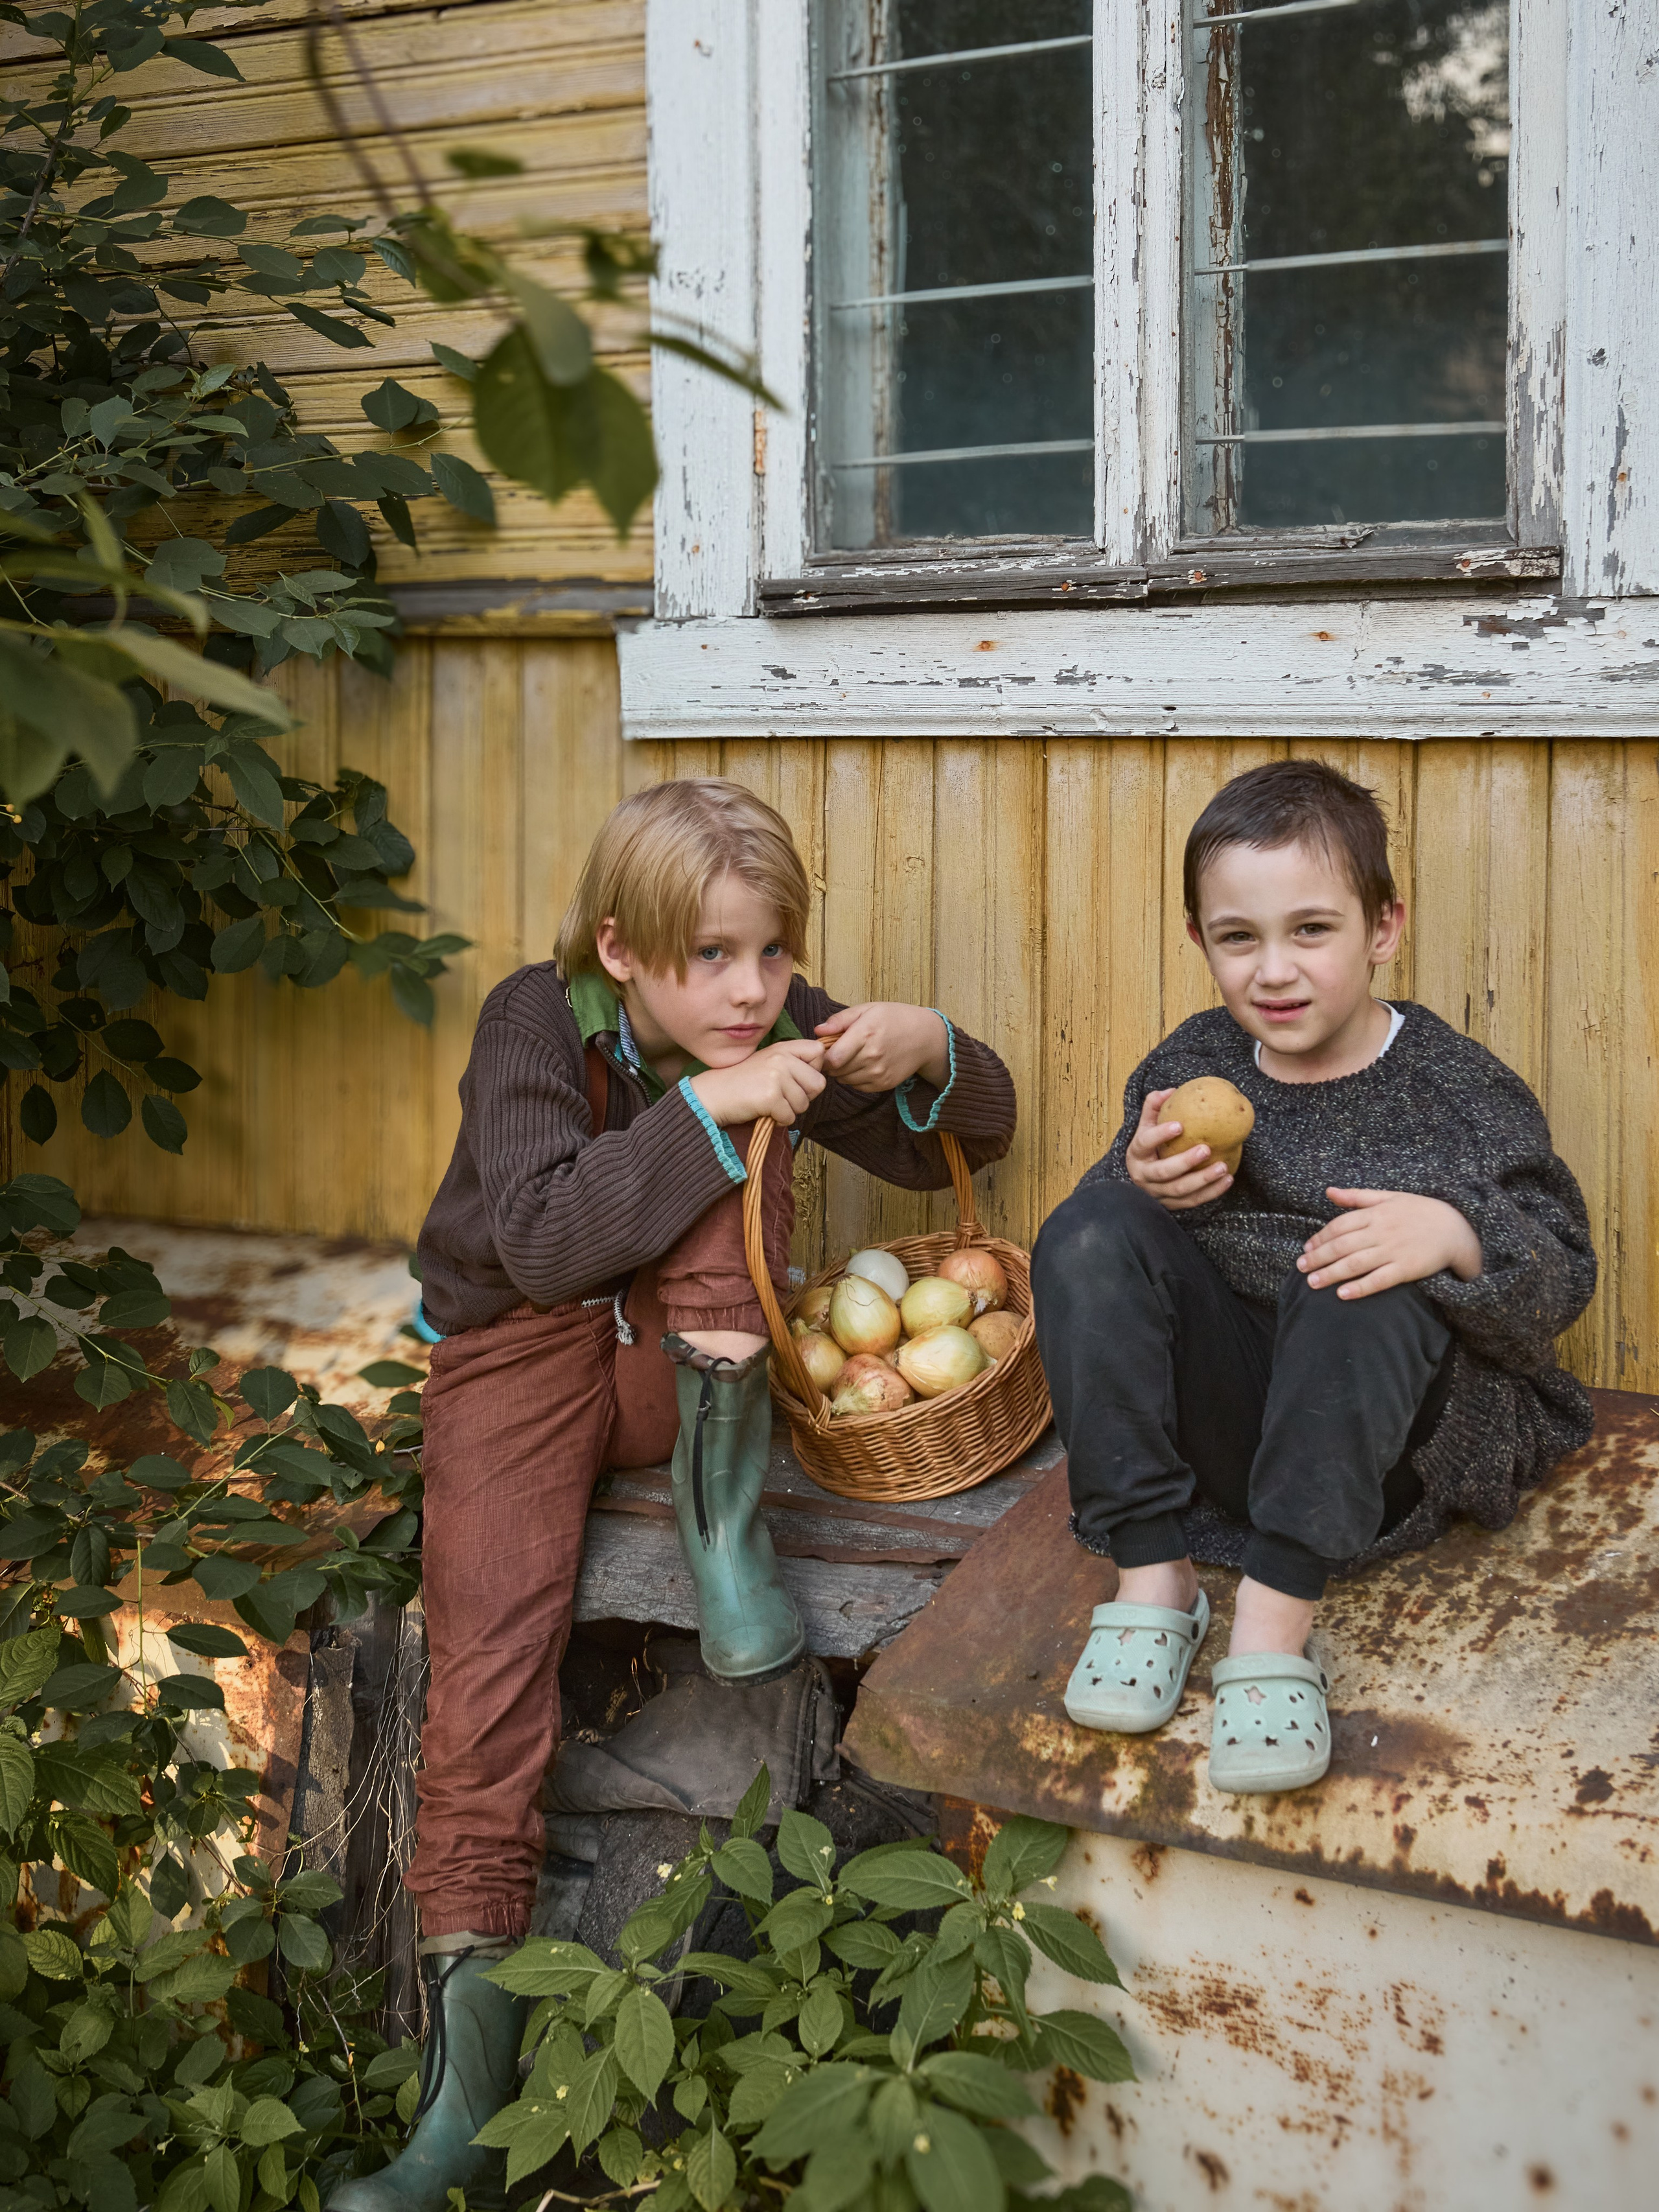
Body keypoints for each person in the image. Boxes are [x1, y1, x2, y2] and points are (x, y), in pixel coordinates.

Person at [331, 778, 1015, 2212]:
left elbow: (957, 1136)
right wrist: (709, 1102)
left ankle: (725, 1535)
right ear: (621, 948)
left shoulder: (765, 1014)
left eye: (771, 952)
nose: (751, 988)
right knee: (484, 1670)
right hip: (514, 1359)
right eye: (711, 957)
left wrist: (934, 1049)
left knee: (740, 1144)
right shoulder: (534, 1021)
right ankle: (459, 2108)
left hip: (681, 1378)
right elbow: (539, 1242)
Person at [1032, 760, 1595, 1798]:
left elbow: (1559, 1275)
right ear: (1200, 939)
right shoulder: (1193, 1063)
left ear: (1384, 927)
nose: (1274, 970)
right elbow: (1108, 1280)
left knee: (1357, 1267)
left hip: (1384, 1443)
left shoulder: (1455, 1087)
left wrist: (1456, 1233)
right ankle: (1154, 1576)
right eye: (1239, 938)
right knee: (1086, 1225)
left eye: (1312, 930)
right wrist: (1143, 1183)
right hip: (1231, 1428)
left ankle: (1272, 1624)